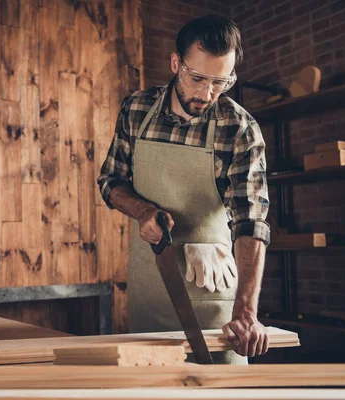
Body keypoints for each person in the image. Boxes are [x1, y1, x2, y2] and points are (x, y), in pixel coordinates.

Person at [97, 15, 270, 364]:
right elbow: (110, 181)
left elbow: (251, 220)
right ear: (176, 63)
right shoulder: (136, 109)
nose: (207, 94)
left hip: (212, 296)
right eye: (198, 78)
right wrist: (142, 211)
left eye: (221, 82)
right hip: (149, 290)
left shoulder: (239, 129)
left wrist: (246, 312)